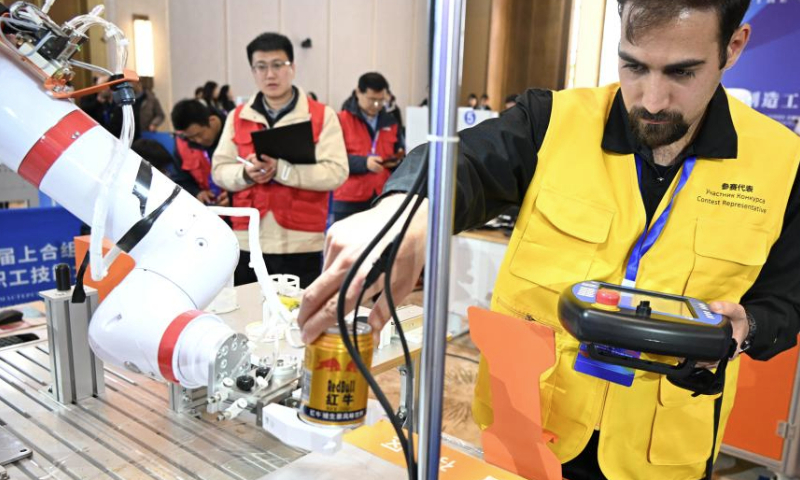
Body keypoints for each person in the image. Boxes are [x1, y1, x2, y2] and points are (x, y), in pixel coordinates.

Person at [297, 1, 800, 479]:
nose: (650, 100)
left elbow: (787, 299)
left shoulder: (783, 163)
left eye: (681, 72)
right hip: (529, 430)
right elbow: (463, 162)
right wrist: (405, 215)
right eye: (633, 66)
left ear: (733, 47)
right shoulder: (551, 122)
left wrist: (748, 328)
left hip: (664, 449)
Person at [212, 32, 347, 288]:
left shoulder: (320, 116)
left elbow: (336, 172)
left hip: (301, 241)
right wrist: (245, 174)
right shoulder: (238, 116)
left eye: (277, 65)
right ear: (253, 71)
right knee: (249, 316)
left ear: (292, 68)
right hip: (247, 239)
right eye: (261, 67)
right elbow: (219, 169)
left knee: (296, 318)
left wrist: (282, 171)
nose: (270, 74)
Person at [331, 73, 404, 223]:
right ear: (358, 92)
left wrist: (397, 160)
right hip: (349, 200)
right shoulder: (340, 120)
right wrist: (364, 163)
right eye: (372, 100)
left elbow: (400, 152)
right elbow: (333, 157)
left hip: (382, 197)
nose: (376, 105)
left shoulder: (391, 122)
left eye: (381, 100)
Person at [171, 99, 230, 207]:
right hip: (207, 210)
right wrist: (197, 192)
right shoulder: (182, 142)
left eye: (199, 134)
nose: (197, 141)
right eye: (191, 137)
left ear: (211, 120)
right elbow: (181, 179)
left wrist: (234, 195)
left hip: (240, 209)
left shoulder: (234, 132)